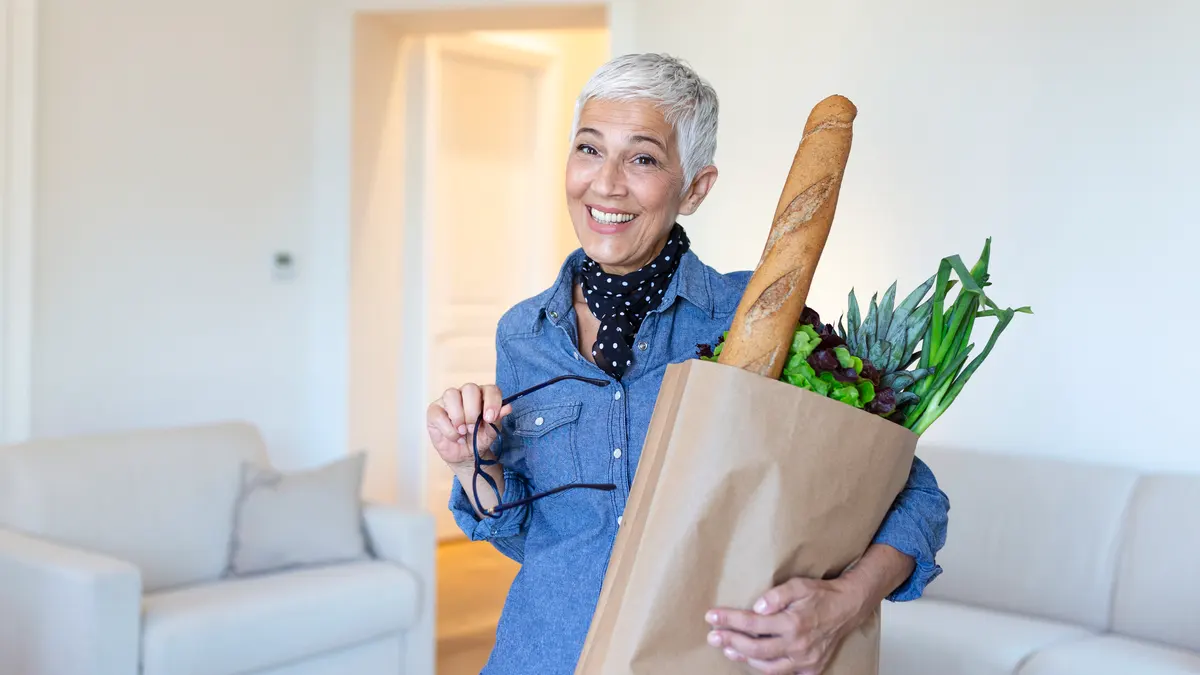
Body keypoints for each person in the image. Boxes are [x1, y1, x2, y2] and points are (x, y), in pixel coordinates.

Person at [425, 52, 950, 675]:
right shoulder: (524, 333)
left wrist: (843, 602)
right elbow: (530, 536)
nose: (607, 182)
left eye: (643, 158)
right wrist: (468, 461)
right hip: (542, 654)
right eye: (589, 149)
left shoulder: (754, 320)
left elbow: (915, 497)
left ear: (696, 188)